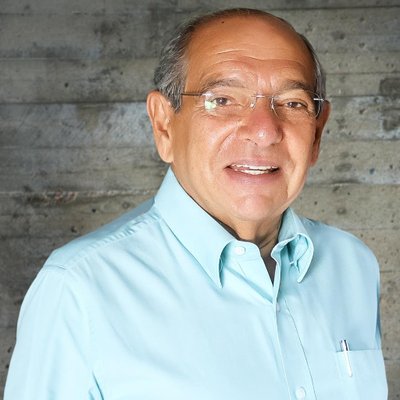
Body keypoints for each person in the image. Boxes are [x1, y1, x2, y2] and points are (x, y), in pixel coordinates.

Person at [4, 8, 387, 400]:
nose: (264, 131)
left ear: (317, 133)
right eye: (223, 99)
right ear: (164, 124)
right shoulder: (78, 290)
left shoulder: (353, 266)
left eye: (292, 103)